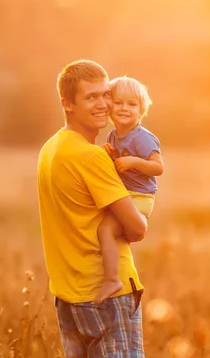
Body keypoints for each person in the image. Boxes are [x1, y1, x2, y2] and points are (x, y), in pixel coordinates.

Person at [37, 60, 147, 357]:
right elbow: (137, 228)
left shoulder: (51, 148)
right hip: (108, 296)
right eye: (90, 97)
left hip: (69, 296)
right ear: (67, 104)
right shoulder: (90, 157)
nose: (103, 104)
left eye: (105, 94)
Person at [93, 76, 164, 305]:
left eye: (132, 104)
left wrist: (134, 161)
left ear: (141, 110)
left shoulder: (142, 138)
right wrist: (113, 156)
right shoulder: (114, 136)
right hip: (127, 195)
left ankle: (113, 279)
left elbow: (158, 167)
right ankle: (115, 272)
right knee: (108, 230)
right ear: (109, 105)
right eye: (119, 102)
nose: (125, 108)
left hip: (140, 197)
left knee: (105, 230)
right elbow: (120, 165)